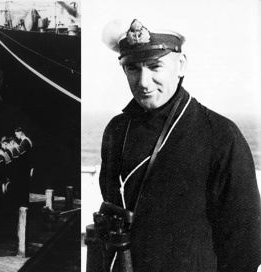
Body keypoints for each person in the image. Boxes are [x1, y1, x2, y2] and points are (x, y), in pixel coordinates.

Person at [98, 19, 261, 271]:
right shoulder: (117, 131)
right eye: (132, 68)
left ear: (181, 65)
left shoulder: (220, 135)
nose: (143, 82)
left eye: (155, 66)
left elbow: (245, 242)